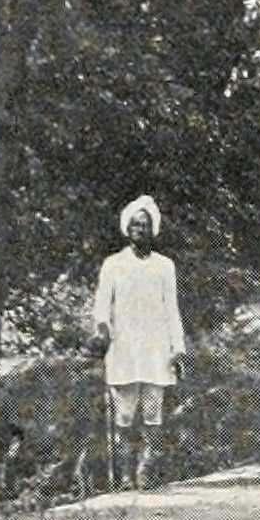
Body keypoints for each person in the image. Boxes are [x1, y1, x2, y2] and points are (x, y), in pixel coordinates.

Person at [91, 195, 185, 490]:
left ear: (152, 229)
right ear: (127, 228)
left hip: (156, 348)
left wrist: (177, 348)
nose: (139, 230)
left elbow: (171, 309)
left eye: (144, 225)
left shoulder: (164, 266)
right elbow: (101, 307)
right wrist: (102, 331)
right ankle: (124, 475)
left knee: (153, 412)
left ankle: (147, 471)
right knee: (124, 413)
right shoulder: (113, 264)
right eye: (134, 224)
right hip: (124, 348)